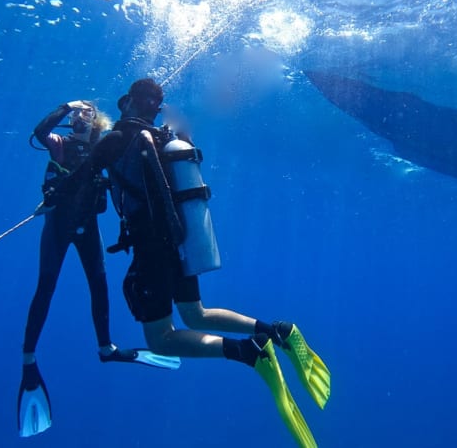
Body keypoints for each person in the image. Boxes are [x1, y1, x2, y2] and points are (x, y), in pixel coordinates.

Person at [88, 79, 331, 448]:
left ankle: (250, 352)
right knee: (196, 313)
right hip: (181, 242)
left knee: (162, 340)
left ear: (127, 104)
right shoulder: (162, 138)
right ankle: (277, 330)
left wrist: (59, 190)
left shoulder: (122, 137)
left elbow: (86, 169)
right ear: (155, 107)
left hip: (152, 249)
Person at [17, 100, 180, 438]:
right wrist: (65, 105)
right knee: (45, 288)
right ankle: (29, 361)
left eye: (87, 113)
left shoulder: (98, 146)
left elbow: (126, 151)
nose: (81, 116)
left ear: (96, 122)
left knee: (99, 284)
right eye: (78, 113)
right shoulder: (59, 144)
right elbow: (39, 132)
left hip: (87, 226)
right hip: (59, 226)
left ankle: (106, 348)